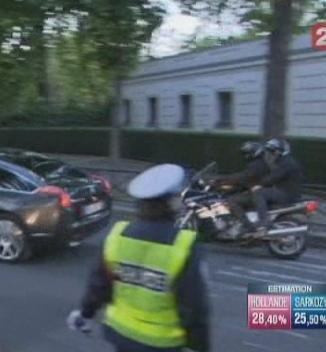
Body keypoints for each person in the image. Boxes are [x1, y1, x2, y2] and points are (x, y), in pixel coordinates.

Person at [66, 164, 210, 352]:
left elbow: (99, 284)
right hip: (163, 343)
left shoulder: (117, 235)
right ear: (172, 202)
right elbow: (194, 308)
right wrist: (199, 346)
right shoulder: (184, 244)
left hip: (121, 334)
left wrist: (85, 314)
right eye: (178, 197)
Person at [211, 141, 270, 235]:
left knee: (231, 200)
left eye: (247, 153)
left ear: (254, 152)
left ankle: (247, 225)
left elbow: (243, 176)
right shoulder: (258, 163)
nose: (245, 155)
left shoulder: (257, 165)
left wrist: (221, 178)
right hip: (255, 191)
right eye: (245, 153)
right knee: (231, 194)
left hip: (256, 194)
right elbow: (245, 178)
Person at [249, 138, 303, 233]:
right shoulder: (286, 160)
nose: (272, 154)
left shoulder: (286, 163)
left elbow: (274, 177)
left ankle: (264, 222)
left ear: (278, 151)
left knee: (258, 193)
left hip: (285, 193)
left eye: (272, 151)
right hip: (288, 192)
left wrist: (259, 184)